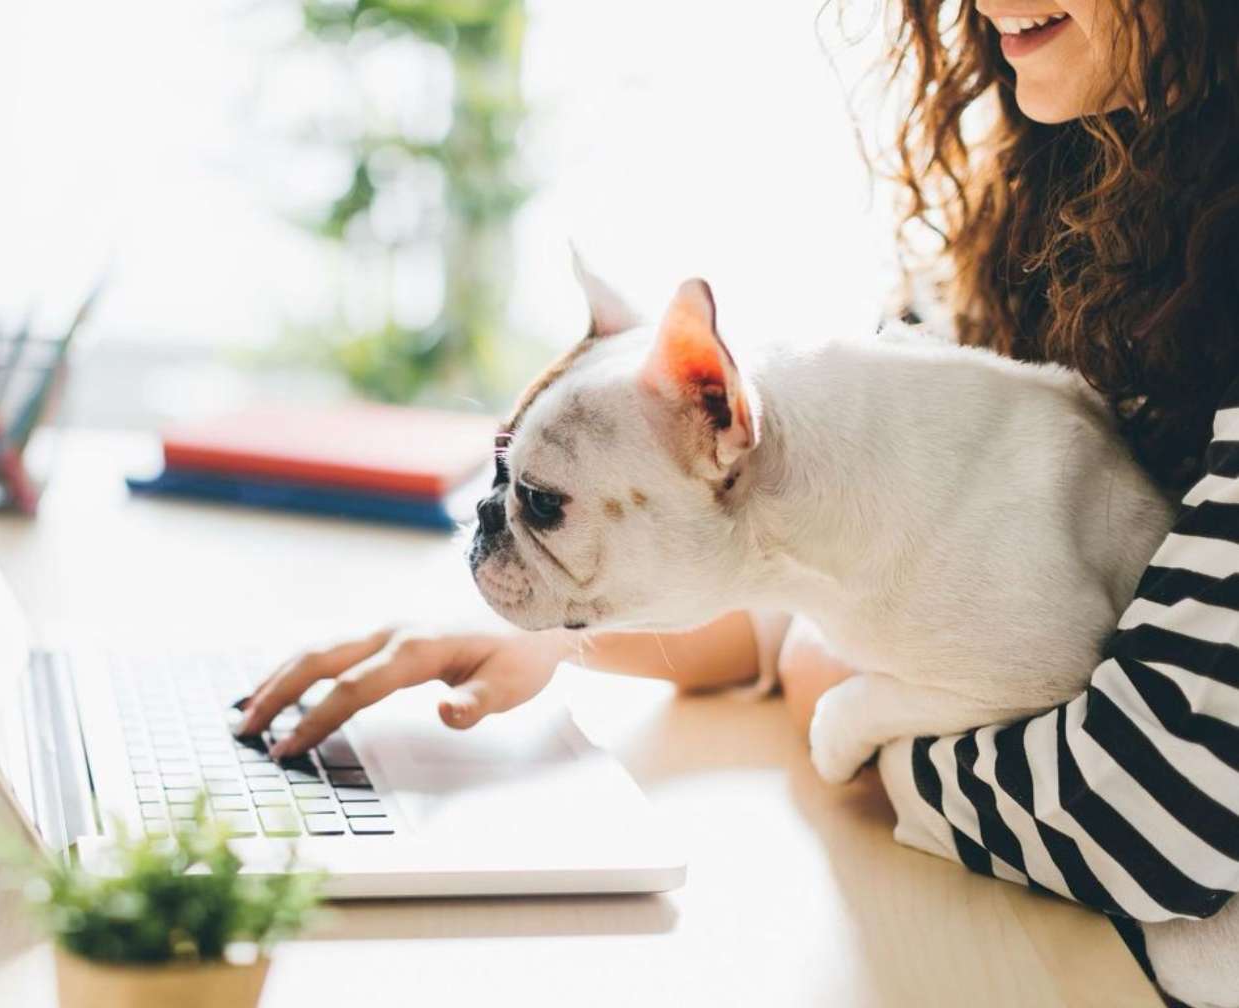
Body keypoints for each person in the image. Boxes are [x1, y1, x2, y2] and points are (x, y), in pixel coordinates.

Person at [236, 2, 1239, 1004]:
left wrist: (839, 706)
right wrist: (558, 628)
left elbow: (1140, 815)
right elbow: (795, 550)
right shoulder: (1027, 199)